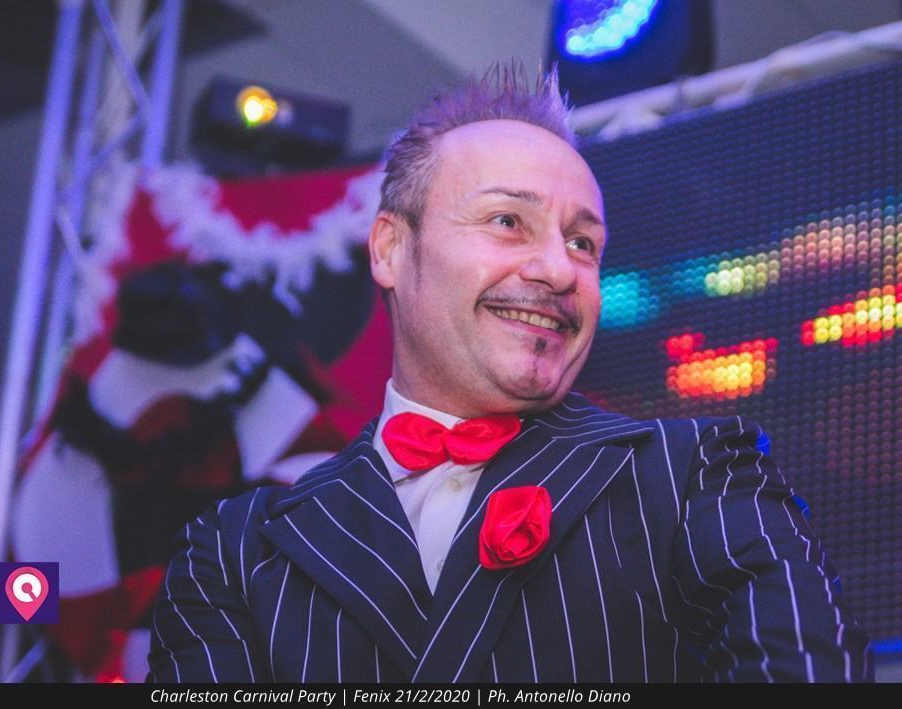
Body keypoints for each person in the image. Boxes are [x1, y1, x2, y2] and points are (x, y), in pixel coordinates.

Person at [147, 64, 872, 683]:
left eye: (583, 243)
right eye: (507, 222)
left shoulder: (694, 478)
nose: (559, 269)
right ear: (391, 250)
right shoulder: (235, 552)